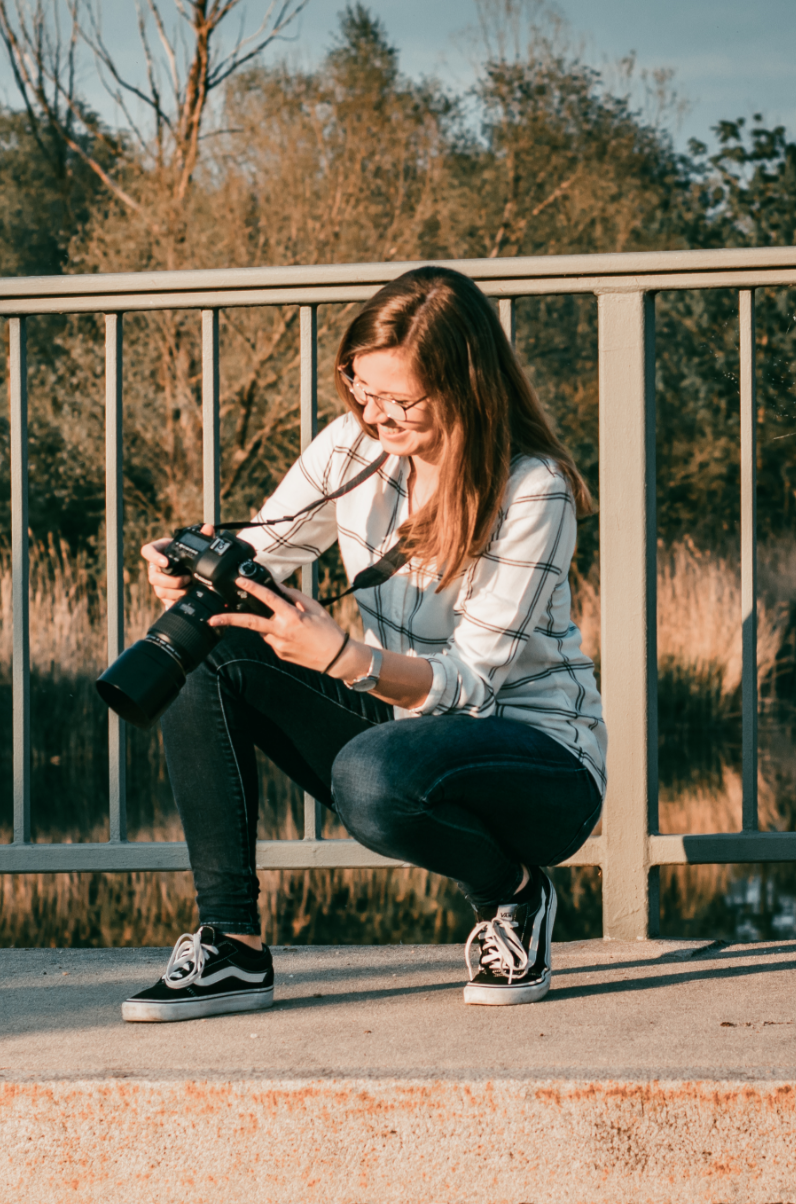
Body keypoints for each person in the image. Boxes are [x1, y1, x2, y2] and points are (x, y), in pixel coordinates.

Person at [122, 266, 606, 1023]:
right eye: (361, 389)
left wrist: (346, 659)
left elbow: (472, 684)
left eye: (401, 399)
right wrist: (196, 571)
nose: (376, 415)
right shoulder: (352, 447)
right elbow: (269, 550)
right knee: (213, 646)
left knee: (374, 774)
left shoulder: (531, 488)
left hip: (538, 761)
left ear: (467, 385)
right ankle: (233, 945)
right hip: (404, 732)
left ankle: (513, 893)